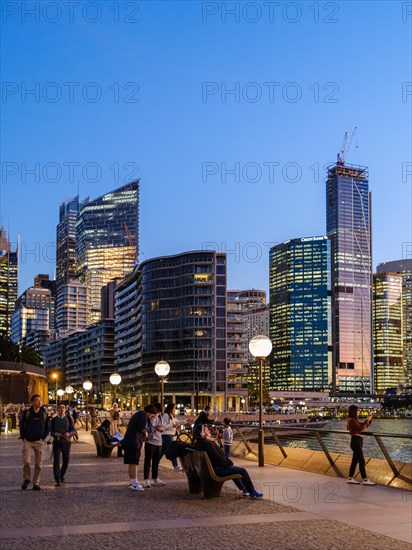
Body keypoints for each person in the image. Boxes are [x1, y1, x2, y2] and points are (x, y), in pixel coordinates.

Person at [193, 424, 263, 498]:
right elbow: (218, 459)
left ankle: (244, 489)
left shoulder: (198, 444)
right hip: (216, 470)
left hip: (207, 470)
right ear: (202, 433)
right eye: (207, 430)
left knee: (232, 469)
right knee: (242, 471)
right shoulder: (208, 445)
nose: (209, 431)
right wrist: (229, 462)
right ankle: (252, 492)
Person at [122, 404, 157, 491]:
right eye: (152, 414)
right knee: (134, 462)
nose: (152, 416)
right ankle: (134, 483)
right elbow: (141, 427)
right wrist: (146, 433)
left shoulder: (138, 414)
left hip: (129, 441)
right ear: (149, 412)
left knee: (131, 462)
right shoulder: (143, 415)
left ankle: (132, 482)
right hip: (134, 442)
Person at [19, 394, 50, 490]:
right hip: (27, 441)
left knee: (38, 464)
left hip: (39, 441)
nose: (40, 402)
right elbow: (21, 425)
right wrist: (23, 437)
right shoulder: (27, 413)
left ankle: (36, 483)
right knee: (26, 461)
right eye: (37, 400)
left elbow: (47, 427)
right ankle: (27, 479)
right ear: (32, 402)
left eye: (40, 400)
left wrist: (43, 437)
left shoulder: (44, 413)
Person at [347, 405, 376, 485]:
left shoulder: (354, 420)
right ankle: (365, 480)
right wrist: (367, 420)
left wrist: (369, 419)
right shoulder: (351, 420)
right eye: (358, 410)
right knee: (362, 461)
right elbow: (361, 428)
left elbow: (363, 426)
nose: (359, 412)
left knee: (355, 461)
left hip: (358, 441)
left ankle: (350, 478)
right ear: (354, 411)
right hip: (356, 441)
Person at [50, 403, 76, 486]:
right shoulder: (53, 420)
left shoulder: (69, 418)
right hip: (57, 442)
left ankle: (61, 475)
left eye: (63, 408)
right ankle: (57, 478)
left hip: (66, 442)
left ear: (65, 409)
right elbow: (50, 431)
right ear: (57, 409)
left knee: (66, 460)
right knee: (56, 460)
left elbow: (74, 430)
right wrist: (56, 434)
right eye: (60, 408)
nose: (61, 409)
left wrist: (69, 433)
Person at [143, 403, 166, 488]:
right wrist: (155, 428)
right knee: (148, 461)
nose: (156, 413)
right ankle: (146, 480)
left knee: (156, 461)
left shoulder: (160, 417)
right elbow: (145, 429)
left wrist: (161, 428)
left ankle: (155, 478)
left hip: (159, 441)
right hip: (150, 441)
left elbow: (163, 428)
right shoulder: (148, 418)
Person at [160, 402, 182, 472]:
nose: (175, 409)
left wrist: (186, 421)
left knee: (163, 450)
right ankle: (175, 466)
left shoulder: (172, 415)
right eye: (174, 408)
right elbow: (163, 426)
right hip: (166, 435)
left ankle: (155, 462)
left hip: (169, 434)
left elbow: (177, 422)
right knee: (172, 450)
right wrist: (171, 426)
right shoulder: (166, 415)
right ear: (171, 408)